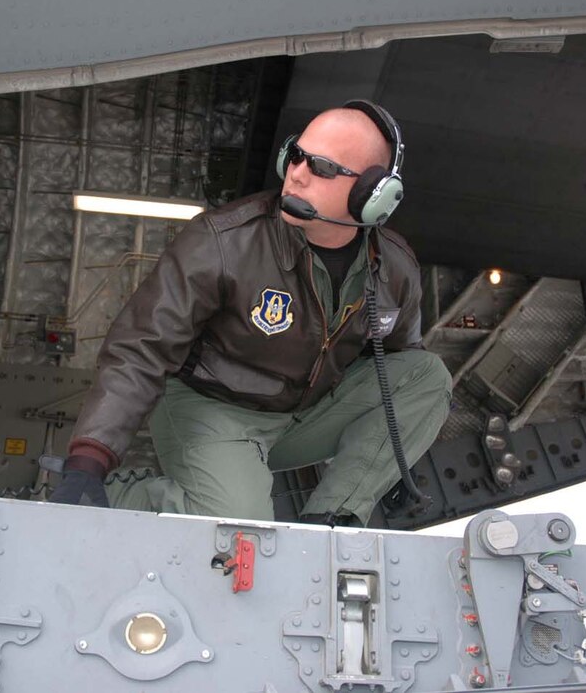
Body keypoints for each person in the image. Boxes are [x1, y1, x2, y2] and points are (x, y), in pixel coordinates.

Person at [50, 100, 451, 526]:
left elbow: (394, 368)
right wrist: (88, 462)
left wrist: (384, 463)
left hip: (303, 413)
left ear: (372, 195)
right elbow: (141, 348)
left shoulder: (395, 269)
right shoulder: (221, 242)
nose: (296, 172)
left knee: (426, 376)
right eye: (295, 154)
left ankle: (332, 519)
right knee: (240, 527)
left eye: (321, 167)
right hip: (212, 407)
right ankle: (119, 497)